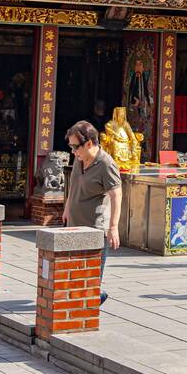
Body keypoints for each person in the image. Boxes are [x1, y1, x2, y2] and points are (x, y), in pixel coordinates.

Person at [63, 120, 121, 304]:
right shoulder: (79, 159)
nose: (73, 152)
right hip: (74, 224)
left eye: (75, 147)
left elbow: (116, 195)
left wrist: (113, 227)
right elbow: (73, 184)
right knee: (73, 273)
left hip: (94, 227)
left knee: (90, 277)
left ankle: (93, 300)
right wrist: (67, 208)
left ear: (89, 143)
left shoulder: (106, 164)